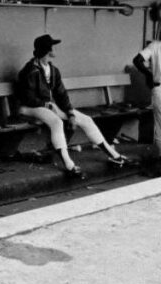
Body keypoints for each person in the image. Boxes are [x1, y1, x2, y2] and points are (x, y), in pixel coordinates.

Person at [16, 35, 130, 178]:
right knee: (56, 122)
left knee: (86, 119)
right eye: (53, 46)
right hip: (29, 108)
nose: (55, 49)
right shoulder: (29, 70)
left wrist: (70, 113)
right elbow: (27, 97)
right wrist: (47, 105)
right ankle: (69, 165)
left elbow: (61, 94)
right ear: (47, 50)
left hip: (47, 106)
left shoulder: (52, 69)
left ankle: (114, 155)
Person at [133, 37, 161, 174]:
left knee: (160, 126)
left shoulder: (154, 45)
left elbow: (137, 60)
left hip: (158, 89)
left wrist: (148, 74)